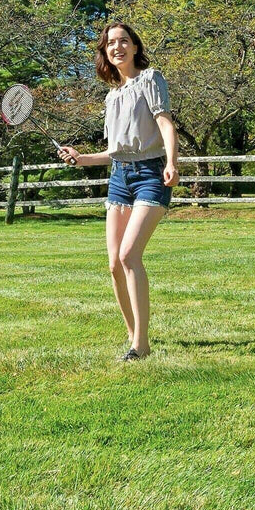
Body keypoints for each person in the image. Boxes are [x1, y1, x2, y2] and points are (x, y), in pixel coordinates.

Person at [58, 22, 179, 361]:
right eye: (110, 44)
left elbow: (165, 122)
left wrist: (172, 161)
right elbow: (114, 150)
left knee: (129, 255)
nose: (117, 47)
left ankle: (140, 346)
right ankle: (134, 335)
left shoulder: (150, 79)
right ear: (105, 53)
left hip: (151, 173)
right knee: (114, 264)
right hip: (119, 177)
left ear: (135, 47)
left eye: (123, 41)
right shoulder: (112, 97)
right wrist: (82, 158)